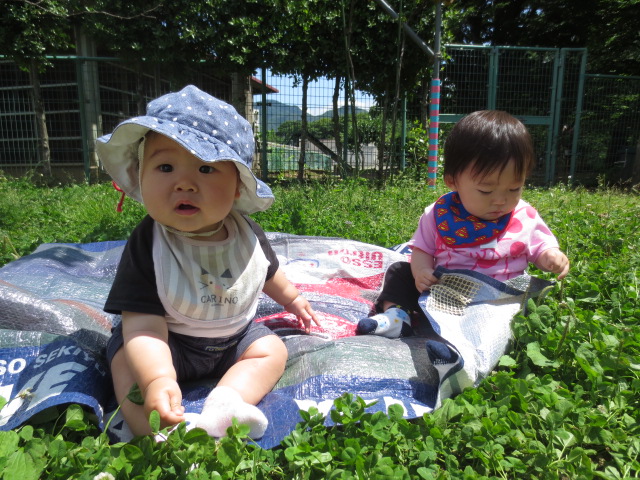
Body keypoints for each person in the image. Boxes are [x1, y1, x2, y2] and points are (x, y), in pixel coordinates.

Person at [97, 85, 320, 439]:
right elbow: (141, 325)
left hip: (234, 338)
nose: (184, 184)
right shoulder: (149, 243)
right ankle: (154, 429)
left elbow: (266, 273)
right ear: (140, 177)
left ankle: (226, 403)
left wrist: (293, 300)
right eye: (166, 167)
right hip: (167, 340)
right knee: (126, 363)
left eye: (205, 168)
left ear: (237, 186)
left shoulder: (246, 234)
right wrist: (157, 376)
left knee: (271, 350)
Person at [357, 110, 569, 338]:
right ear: (452, 181)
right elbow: (422, 249)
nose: (500, 200)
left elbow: (540, 246)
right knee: (399, 272)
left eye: (514, 188)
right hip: (443, 294)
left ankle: (455, 352)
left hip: (497, 300)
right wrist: (421, 272)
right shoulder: (439, 214)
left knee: (502, 323)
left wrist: (549, 256)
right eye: (486, 190)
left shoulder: (524, 216)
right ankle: (397, 315)